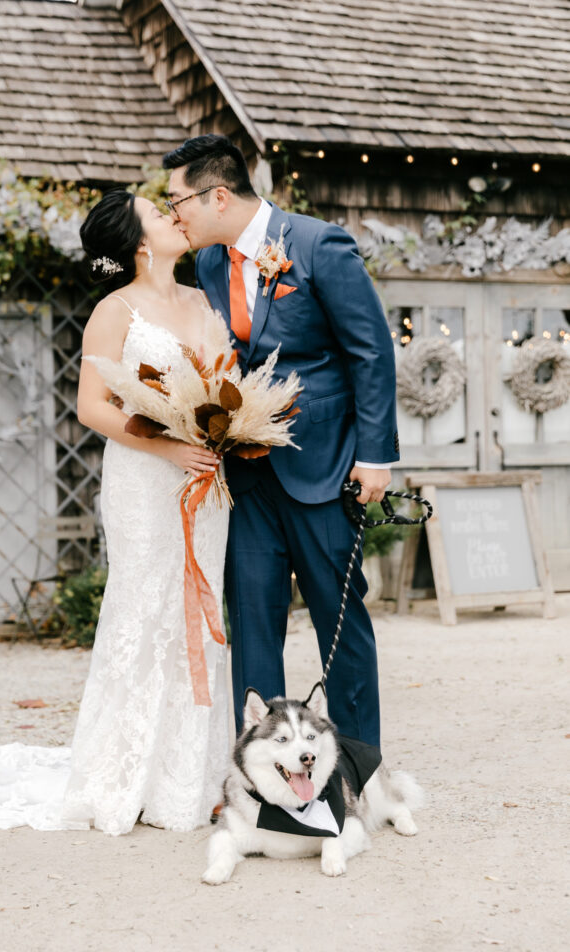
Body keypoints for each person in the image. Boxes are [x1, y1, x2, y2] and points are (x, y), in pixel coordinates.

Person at [0, 191, 230, 835]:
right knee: (143, 606)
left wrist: (219, 434)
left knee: (196, 606)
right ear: (138, 242)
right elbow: (92, 407)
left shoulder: (203, 298)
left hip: (205, 481)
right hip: (145, 475)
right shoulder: (115, 309)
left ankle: (188, 774)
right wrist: (167, 442)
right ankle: (121, 775)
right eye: (160, 213)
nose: (174, 216)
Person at [162, 134, 400, 748]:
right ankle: (266, 777)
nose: (172, 215)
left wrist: (375, 456)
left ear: (217, 196)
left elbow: (370, 351)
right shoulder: (211, 262)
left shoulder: (319, 244)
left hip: (322, 468)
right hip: (245, 474)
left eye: (177, 201)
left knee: (340, 622)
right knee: (255, 623)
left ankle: (357, 766)